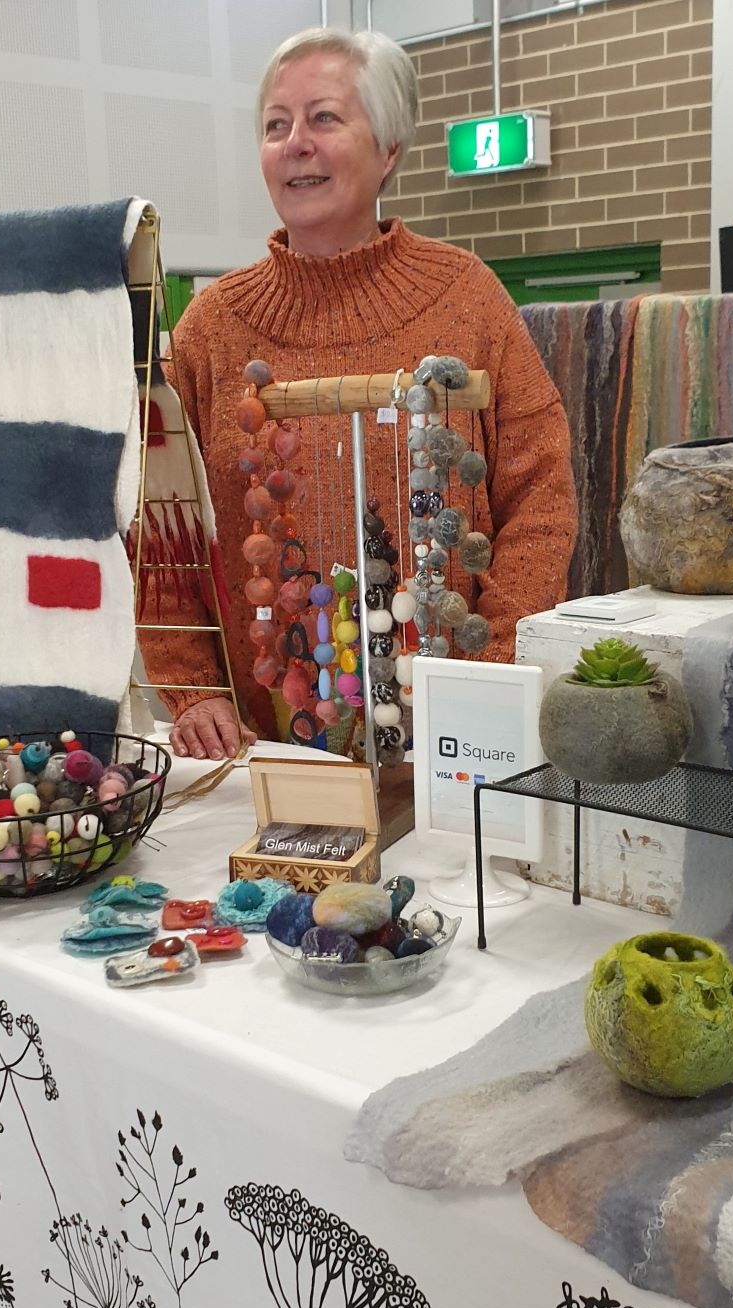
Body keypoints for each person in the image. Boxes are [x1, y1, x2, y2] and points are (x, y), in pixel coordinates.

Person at [139, 26, 576, 760]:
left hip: (454, 731)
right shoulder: (211, 328)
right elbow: (160, 526)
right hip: (269, 746)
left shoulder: (468, 299)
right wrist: (194, 687)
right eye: (276, 125)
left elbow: (542, 498)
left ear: (391, 149)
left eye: (324, 118)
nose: (295, 143)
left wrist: (491, 665)